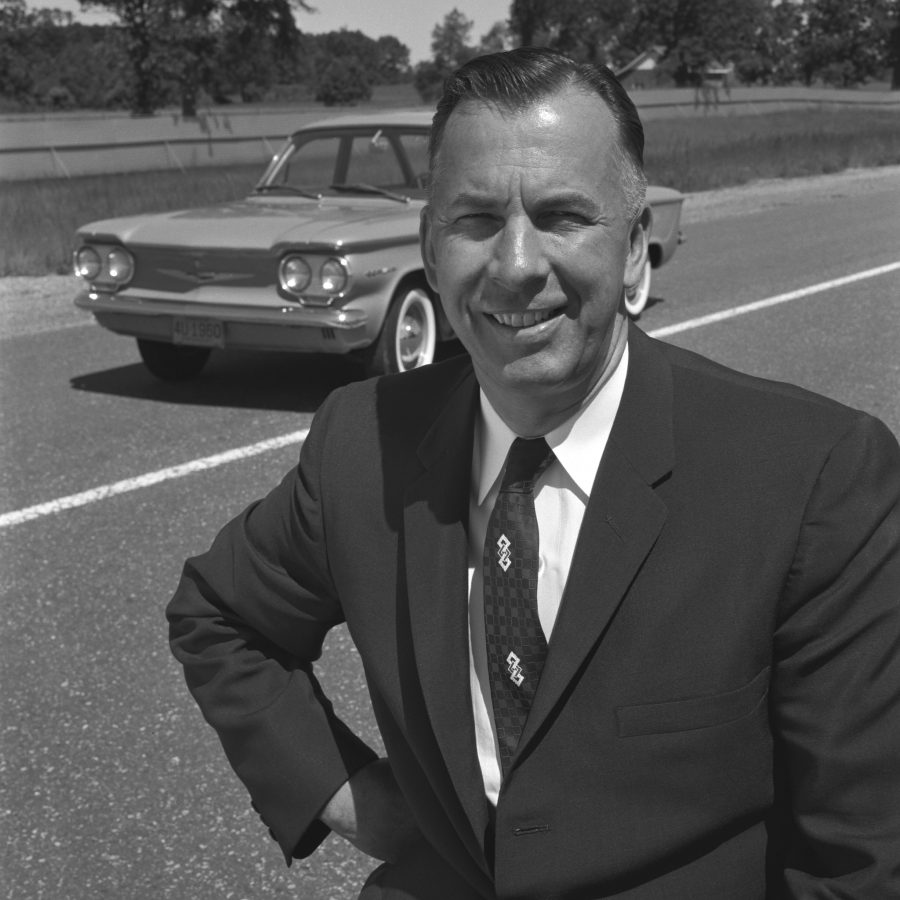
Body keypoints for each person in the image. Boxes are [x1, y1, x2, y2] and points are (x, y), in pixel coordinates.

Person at [167, 48, 900, 898]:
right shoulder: (360, 441)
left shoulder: (812, 476)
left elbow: (859, 859)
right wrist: (342, 792)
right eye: (475, 220)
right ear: (431, 254)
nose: (515, 263)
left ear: (634, 253)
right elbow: (219, 617)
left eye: (562, 216)